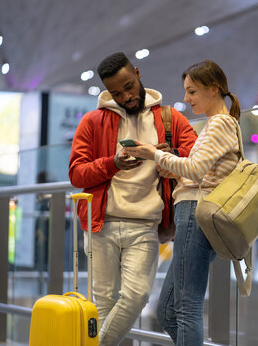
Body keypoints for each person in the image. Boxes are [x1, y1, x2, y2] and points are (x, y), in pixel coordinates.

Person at [68, 52, 197, 346]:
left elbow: (197, 157)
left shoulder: (170, 118)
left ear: (137, 73)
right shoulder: (92, 121)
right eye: (117, 92)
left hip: (146, 224)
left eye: (129, 86)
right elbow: (76, 173)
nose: (126, 96)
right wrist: (112, 163)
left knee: (137, 296)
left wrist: (167, 155)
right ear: (107, 92)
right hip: (101, 225)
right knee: (102, 304)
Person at [124, 60, 241, 345]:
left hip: (196, 213)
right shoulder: (217, 124)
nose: (186, 99)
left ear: (213, 90)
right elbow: (198, 168)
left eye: (192, 91)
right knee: (166, 310)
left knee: (186, 308)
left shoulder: (221, 123)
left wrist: (154, 154)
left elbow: (196, 170)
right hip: (191, 214)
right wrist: (173, 165)